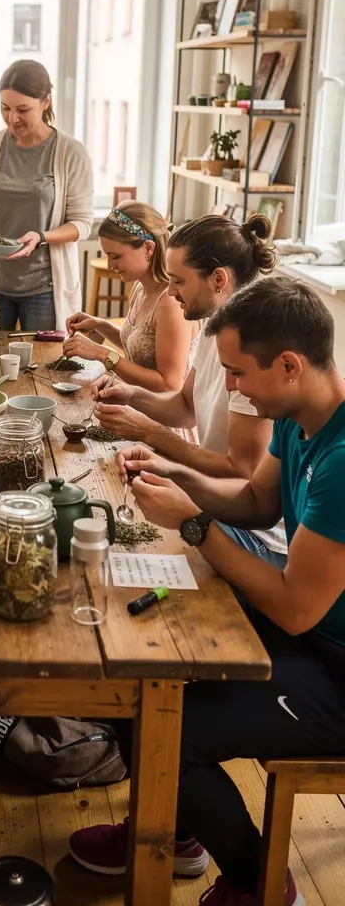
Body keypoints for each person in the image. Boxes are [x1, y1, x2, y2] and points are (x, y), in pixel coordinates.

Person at [70, 277, 345, 906]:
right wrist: (173, 473)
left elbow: (295, 610)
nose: (235, 389)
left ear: (290, 365)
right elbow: (257, 501)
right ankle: (170, 828)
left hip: (334, 667)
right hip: (313, 634)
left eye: (239, 374)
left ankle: (260, 884)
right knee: (143, 667)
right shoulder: (301, 417)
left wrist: (194, 524)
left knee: (164, 730)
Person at [91, 212, 285, 563]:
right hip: (215, 501)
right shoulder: (214, 324)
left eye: (178, 281)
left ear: (218, 280)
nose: (169, 292)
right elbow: (185, 406)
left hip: (254, 536)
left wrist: (151, 433)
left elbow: (243, 473)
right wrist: (131, 395)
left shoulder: (255, 348)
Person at [0, 60, 94, 331]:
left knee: (44, 358)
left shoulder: (71, 152)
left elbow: (83, 224)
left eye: (22, 109)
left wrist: (41, 237)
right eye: (5, 108)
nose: (12, 118)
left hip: (45, 288)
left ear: (46, 102)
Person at [63, 202, 195, 393]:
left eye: (116, 256)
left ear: (148, 248)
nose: (110, 265)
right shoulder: (140, 287)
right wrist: (100, 325)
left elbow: (169, 385)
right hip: (139, 400)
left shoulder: (171, 301)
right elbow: (140, 347)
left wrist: (101, 353)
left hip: (161, 410)